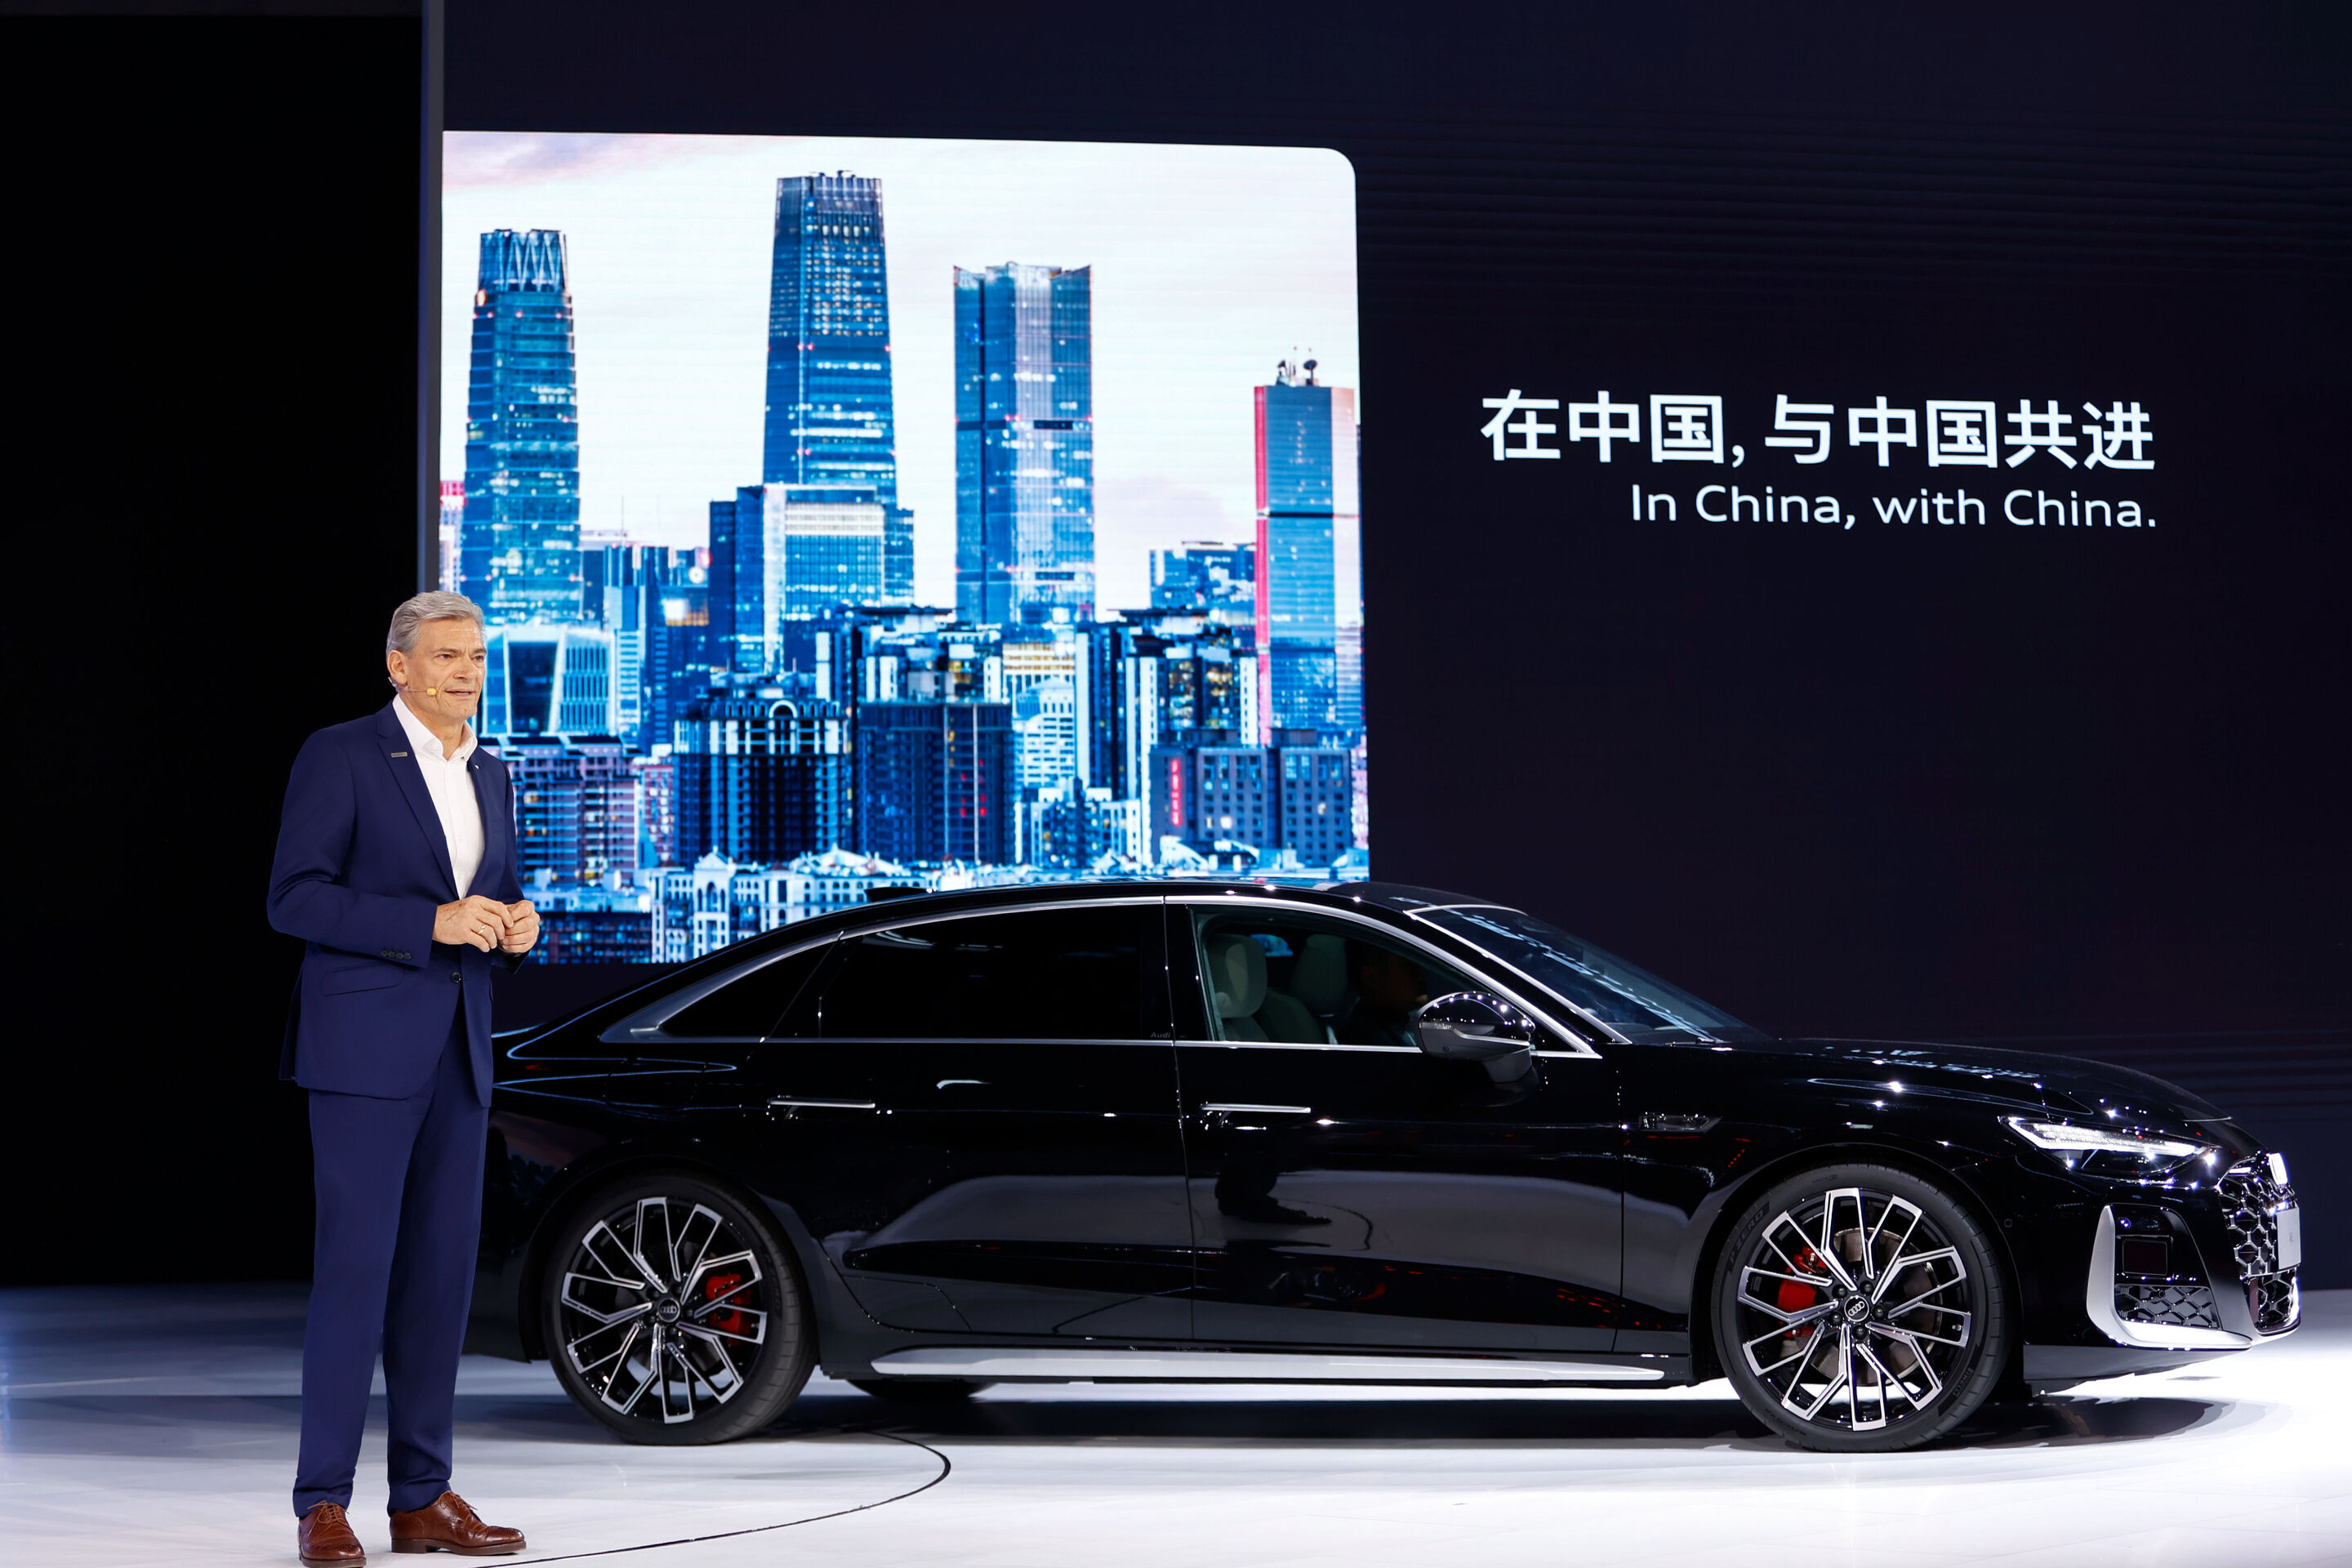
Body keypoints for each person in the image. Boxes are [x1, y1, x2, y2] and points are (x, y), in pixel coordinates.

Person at [267, 592, 534, 1566]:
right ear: (399, 666)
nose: (467, 671)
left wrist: (514, 923)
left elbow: (486, 899)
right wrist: (423, 925)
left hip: (459, 1055)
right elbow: (293, 898)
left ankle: (422, 1499)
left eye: (476, 656)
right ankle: (322, 1502)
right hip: (362, 1057)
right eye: (447, 656)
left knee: (438, 1285)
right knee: (356, 1278)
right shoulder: (340, 755)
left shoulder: (494, 774)